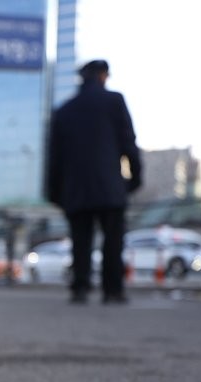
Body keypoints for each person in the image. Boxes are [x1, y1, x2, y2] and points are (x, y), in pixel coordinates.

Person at [48, 59, 142, 304]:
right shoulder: (114, 101)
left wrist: (54, 192)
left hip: (75, 188)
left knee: (81, 240)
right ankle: (112, 289)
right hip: (109, 184)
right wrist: (134, 179)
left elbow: (54, 157)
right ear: (103, 76)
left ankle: (80, 287)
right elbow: (129, 143)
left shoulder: (64, 110)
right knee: (113, 240)